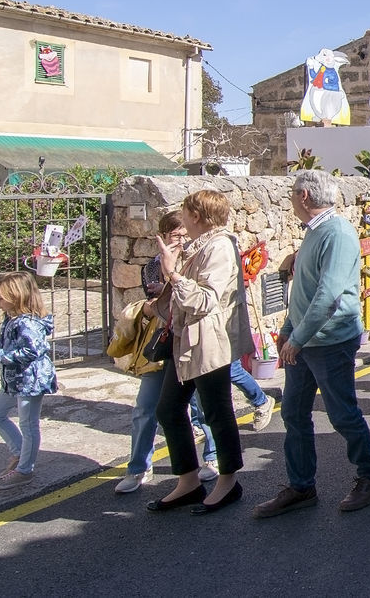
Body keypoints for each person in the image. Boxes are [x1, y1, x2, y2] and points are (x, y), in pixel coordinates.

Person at [254, 171, 370, 517]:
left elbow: (328, 296)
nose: (290, 200)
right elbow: (305, 289)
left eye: (292, 194)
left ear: (305, 197)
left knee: (342, 414)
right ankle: (301, 487)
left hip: (329, 342)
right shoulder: (316, 232)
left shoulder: (338, 233)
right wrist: (288, 328)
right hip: (306, 340)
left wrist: (296, 338)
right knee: (294, 413)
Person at [149, 189, 253, 515]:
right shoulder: (200, 245)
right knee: (168, 410)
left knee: (217, 412)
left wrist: (172, 272)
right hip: (186, 343)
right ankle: (189, 481)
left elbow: (206, 301)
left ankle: (228, 481)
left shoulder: (221, 247)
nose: (182, 217)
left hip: (210, 344)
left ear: (196, 215)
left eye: (186, 212)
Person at [112, 211, 218, 494]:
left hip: (191, 343)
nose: (181, 240)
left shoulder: (199, 259)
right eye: (175, 235)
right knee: (145, 408)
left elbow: (197, 300)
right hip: (162, 344)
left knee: (200, 407)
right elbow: (158, 302)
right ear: (163, 237)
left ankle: (211, 457)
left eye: (185, 234)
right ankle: (138, 468)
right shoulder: (151, 267)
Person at [0, 271, 57, 490]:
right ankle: (20, 453)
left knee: (28, 424)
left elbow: (31, 352)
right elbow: (10, 343)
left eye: (0, 298)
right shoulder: (12, 319)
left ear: (17, 297)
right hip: (15, 379)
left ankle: (24, 470)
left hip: (30, 380)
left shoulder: (28, 324)